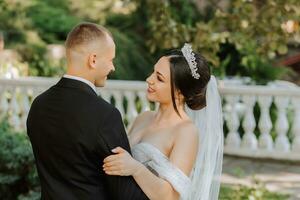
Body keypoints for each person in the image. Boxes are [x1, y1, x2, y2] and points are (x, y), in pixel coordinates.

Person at [26, 22, 148, 200]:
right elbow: (124, 192)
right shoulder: (105, 115)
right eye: (111, 59)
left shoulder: (38, 105)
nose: (112, 67)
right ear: (93, 60)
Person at [103, 44, 224, 200]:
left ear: (180, 92)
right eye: (153, 72)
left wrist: (135, 168)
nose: (149, 80)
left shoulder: (186, 132)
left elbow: (171, 196)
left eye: (159, 78)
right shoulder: (143, 118)